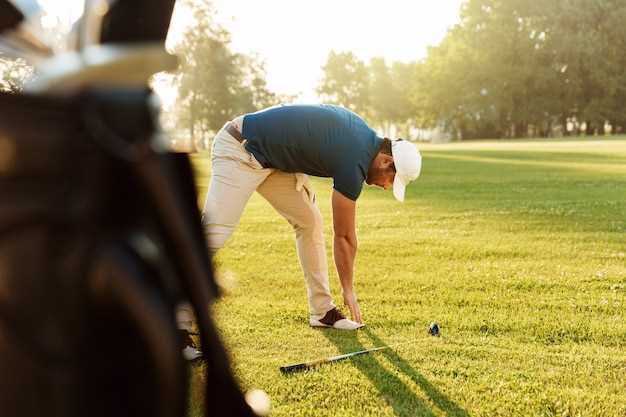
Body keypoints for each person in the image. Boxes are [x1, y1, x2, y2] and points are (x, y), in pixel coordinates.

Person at [179, 104, 421, 357]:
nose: (385, 187)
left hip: (273, 160)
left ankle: (322, 311)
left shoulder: (364, 140)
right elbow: (345, 237)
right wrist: (348, 289)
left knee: (309, 222)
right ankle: (176, 325)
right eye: (391, 180)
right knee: (214, 233)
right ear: (386, 161)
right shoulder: (356, 159)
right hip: (240, 148)